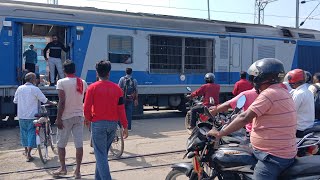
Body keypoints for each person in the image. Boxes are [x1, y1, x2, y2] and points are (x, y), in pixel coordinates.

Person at [207, 58, 297, 180]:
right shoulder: (283, 91)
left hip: (273, 157)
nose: (253, 80)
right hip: (276, 151)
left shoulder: (269, 94)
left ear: (263, 77)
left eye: (255, 77)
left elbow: (244, 117)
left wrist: (220, 133)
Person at [84, 60, 128, 180]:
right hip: (113, 125)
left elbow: (86, 107)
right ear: (109, 73)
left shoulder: (92, 88)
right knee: (102, 155)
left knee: (101, 155)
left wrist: (87, 119)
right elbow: (121, 110)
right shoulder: (118, 89)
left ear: (97, 73)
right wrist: (125, 126)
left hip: (98, 124)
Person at [52, 60, 87, 179]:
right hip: (79, 116)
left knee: (61, 144)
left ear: (64, 71)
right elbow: (84, 99)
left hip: (66, 117)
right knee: (79, 144)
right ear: (75, 70)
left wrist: (58, 118)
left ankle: (63, 168)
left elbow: (61, 102)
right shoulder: (82, 82)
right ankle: (77, 171)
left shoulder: (61, 82)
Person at [13, 72, 55, 162]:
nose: (36, 80)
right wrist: (53, 103)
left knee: (24, 133)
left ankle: (26, 151)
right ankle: (28, 154)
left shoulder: (19, 88)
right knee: (32, 133)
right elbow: (44, 100)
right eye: (35, 78)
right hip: (32, 116)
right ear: (32, 80)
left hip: (21, 115)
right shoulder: (35, 89)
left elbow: (15, 101)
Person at [287, 69, 315, 138]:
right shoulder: (307, 91)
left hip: (299, 129)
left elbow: (291, 111)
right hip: (309, 126)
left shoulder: (299, 93)